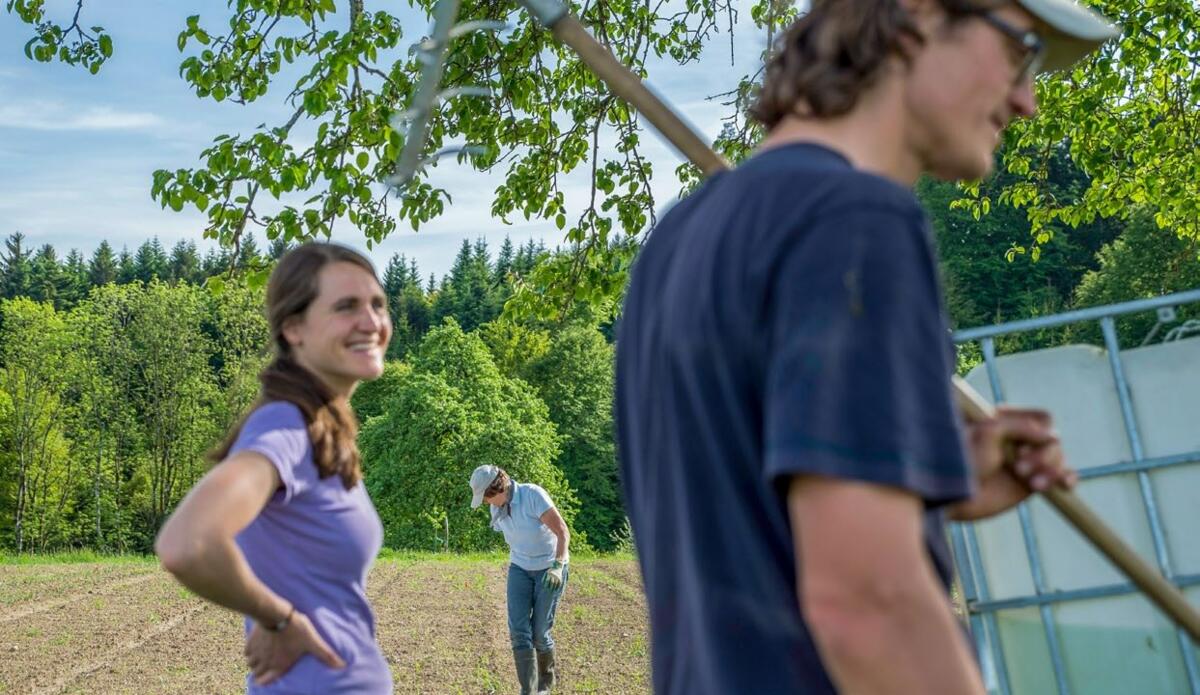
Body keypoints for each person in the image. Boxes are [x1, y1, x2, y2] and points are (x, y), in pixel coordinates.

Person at [615, 1, 1118, 693]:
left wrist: (913, 474)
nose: (1027, 100)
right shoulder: (857, 220)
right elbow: (868, 604)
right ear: (916, 17)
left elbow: (747, 527)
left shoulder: (678, 239)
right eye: (1021, 50)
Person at [156, 242, 393, 693]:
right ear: (294, 328)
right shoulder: (288, 426)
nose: (371, 322)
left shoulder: (320, 428)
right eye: (346, 307)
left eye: (378, 304)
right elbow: (187, 542)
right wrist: (280, 619)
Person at [470, 464, 571, 695]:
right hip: (520, 568)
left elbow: (563, 532)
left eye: (486, 497)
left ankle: (544, 686)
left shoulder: (533, 495)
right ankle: (529, 690)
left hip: (549, 568)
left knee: (539, 633)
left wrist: (557, 565)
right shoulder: (498, 507)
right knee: (518, 630)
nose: (485, 503)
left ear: (496, 489)